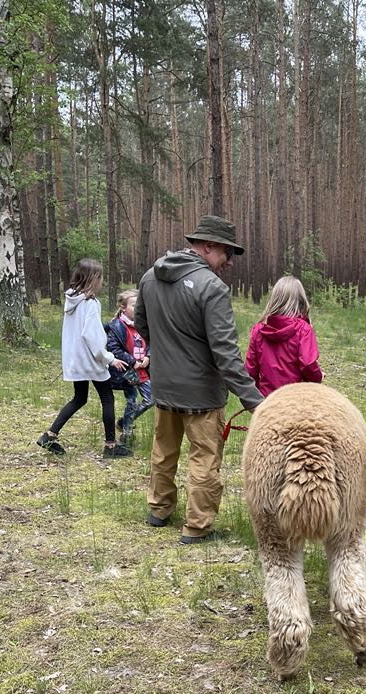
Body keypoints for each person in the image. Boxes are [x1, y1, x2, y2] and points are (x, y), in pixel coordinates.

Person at [134, 215, 264, 544]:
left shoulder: (150, 277)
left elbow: (143, 326)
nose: (230, 262)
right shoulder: (212, 288)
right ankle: (197, 525)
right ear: (208, 246)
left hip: (164, 387)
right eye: (227, 253)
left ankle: (159, 509)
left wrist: (165, 357)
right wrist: (256, 403)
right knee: (204, 459)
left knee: (163, 451)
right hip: (202, 395)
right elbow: (226, 355)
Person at [37, 259, 131, 459]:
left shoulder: (72, 299)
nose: (102, 281)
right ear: (93, 279)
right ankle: (111, 446)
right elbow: (92, 336)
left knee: (79, 398)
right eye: (101, 277)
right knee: (107, 399)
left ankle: (49, 436)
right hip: (90, 360)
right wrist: (109, 358)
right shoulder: (90, 303)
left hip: (76, 360)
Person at [245, 276, 324, 396]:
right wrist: (318, 377)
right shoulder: (303, 330)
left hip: (268, 399)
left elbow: (250, 370)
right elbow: (308, 364)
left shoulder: (258, 330)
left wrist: (255, 398)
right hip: (295, 399)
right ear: (300, 299)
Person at [106, 289, 153, 445]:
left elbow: (151, 342)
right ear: (122, 307)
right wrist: (132, 361)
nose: (138, 308)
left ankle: (124, 421)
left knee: (151, 398)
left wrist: (148, 356)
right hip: (128, 371)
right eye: (133, 305)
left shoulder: (144, 324)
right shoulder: (116, 326)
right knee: (131, 400)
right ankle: (126, 433)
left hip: (143, 370)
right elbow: (114, 348)